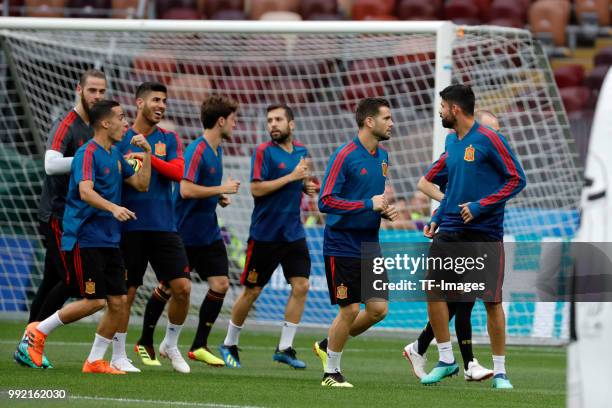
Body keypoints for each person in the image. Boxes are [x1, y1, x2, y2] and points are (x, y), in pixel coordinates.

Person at [15, 100, 151, 373]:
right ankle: (37, 333)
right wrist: (114, 208)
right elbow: (86, 191)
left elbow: (141, 184)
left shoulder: (114, 154)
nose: (127, 123)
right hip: (85, 236)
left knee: (118, 301)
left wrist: (147, 154)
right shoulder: (86, 154)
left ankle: (94, 360)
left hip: (109, 239)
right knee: (95, 301)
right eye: (121, 118)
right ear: (105, 123)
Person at [420, 85, 525, 389]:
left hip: (485, 233)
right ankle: (445, 359)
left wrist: (481, 206)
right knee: (433, 289)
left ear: (454, 108)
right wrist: (438, 216)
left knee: (491, 302)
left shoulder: (491, 139)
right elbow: (449, 188)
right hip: (451, 229)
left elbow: (517, 179)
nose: (439, 111)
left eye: (442, 106)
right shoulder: (452, 143)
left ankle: (501, 371)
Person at [403, 110, 501, 382]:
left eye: (498, 130)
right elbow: (425, 183)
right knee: (460, 300)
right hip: (457, 233)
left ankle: (422, 347)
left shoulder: (492, 158)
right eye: (491, 130)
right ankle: (466, 363)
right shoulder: (458, 151)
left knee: (460, 301)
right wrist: (440, 213)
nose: (495, 136)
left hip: (480, 234)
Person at [218, 104, 318, 369]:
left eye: (278, 119)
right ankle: (229, 342)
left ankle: (285, 347)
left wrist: (305, 185)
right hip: (265, 235)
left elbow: (299, 181)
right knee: (252, 291)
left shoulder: (301, 152)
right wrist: (292, 177)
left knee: (302, 286)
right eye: (269, 120)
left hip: (293, 232)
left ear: (291, 124)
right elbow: (256, 189)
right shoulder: (264, 151)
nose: (273, 124)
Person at [313, 98, 398, 387]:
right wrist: (367, 204)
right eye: (386, 118)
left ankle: (327, 345)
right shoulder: (345, 155)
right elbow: (325, 201)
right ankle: (330, 372)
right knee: (349, 309)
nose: (392, 123)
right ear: (369, 122)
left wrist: (382, 209)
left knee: (378, 310)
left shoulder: (383, 156)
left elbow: (370, 201)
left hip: (369, 244)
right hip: (342, 243)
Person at [114, 82, 191, 374]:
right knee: (126, 293)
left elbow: (178, 172)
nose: (161, 105)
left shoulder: (169, 138)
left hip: (163, 226)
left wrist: (149, 155)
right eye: (155, 100)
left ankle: (170, 344)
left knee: (182, 288)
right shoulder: (121, 136)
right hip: (129, 225)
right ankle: (119, 354)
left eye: (164, 101)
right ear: (139, 103)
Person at [30, 69, 107, 326]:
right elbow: (50, 165)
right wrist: (86, 159)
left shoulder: (94, 126)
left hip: (73, 215)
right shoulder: (67, 125)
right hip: (57, 214)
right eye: (92, 90)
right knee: (71, 281)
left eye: (102, 91)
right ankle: (35, 336)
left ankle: (28, 340)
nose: (97, 96)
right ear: (79, 89)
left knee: (52, 280)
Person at [171, 94, 240, 366]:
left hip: (208, 231)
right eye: (233, 119)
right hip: (184, 232)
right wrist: (220, 189)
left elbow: (202, 188)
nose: (235, 124)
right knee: (170, 288)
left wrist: (217, 197)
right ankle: (147, 342)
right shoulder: (196, 150)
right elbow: (186, 190)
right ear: (221, 120)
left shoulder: (218, 149)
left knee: (221, 284)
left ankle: (199, 344)